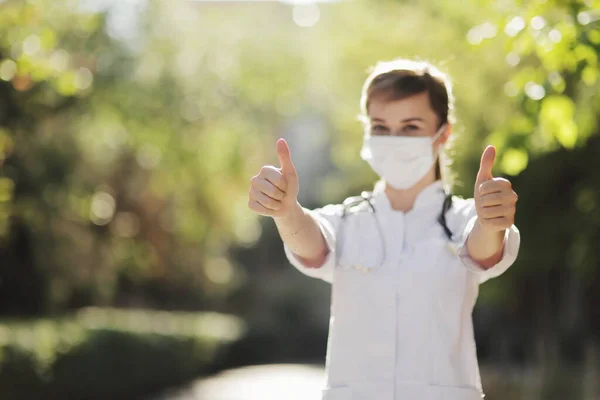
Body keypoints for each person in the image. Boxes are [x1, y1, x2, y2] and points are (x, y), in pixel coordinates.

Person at [248, 58, 520, 400]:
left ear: (443, 134)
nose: (394, 139)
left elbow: (483, 249)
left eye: (410, 127)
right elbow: (310, 243)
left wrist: (492, 220)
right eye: (380, 127)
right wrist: (285, 211)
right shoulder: (347, 220)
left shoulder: (465, 218)